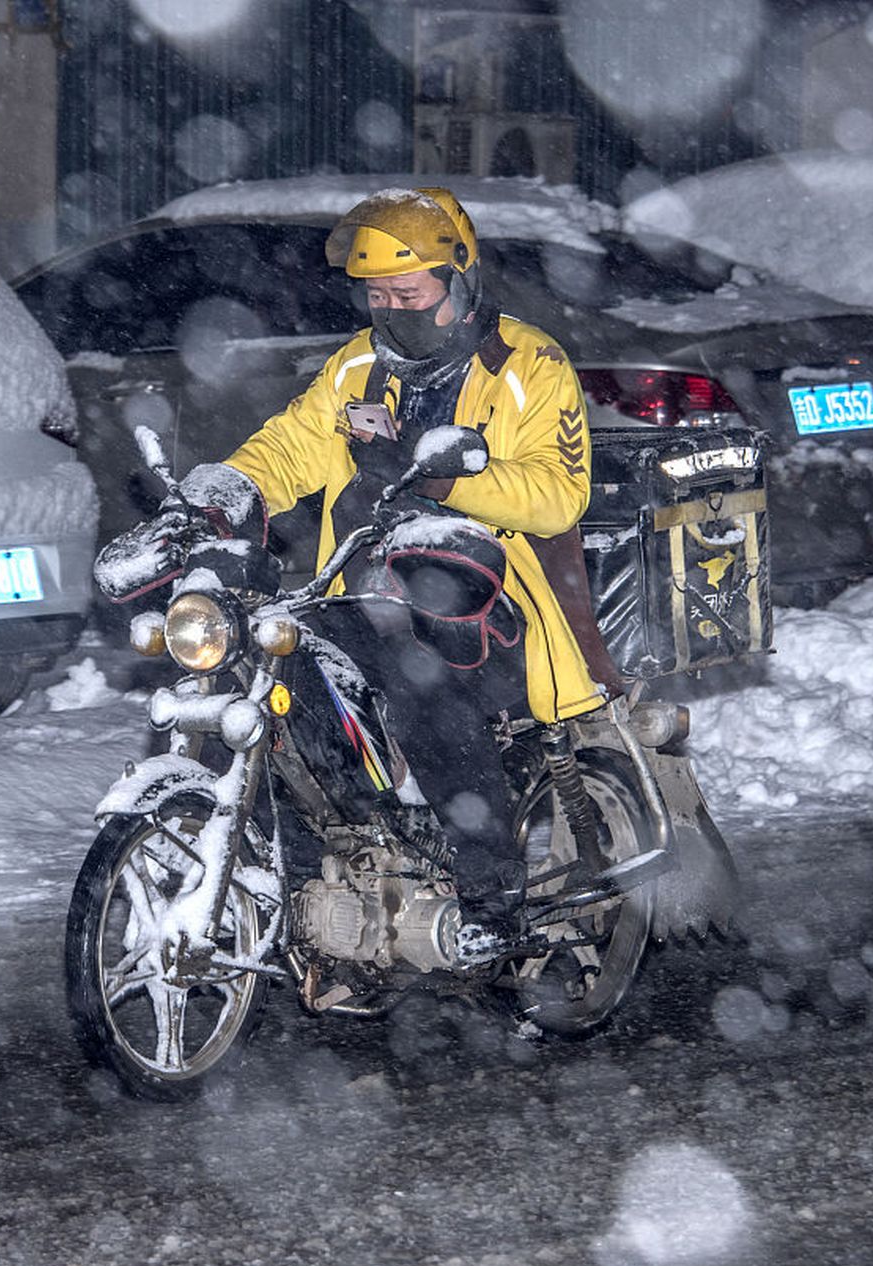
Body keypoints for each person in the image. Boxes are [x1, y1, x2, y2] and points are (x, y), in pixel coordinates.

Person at [182, 186, 623, 964]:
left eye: (408, 293)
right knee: (261, 665)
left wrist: (451, 484)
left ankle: (491, 893)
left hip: (489, 598)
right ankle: (298, 869)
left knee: (420, 679)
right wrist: (227, 489)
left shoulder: (526, 365)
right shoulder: (357, 364)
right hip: (360, 588)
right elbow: (292, 447)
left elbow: (558, 495)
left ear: (459, 282)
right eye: (376, 295)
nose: (390, 311)